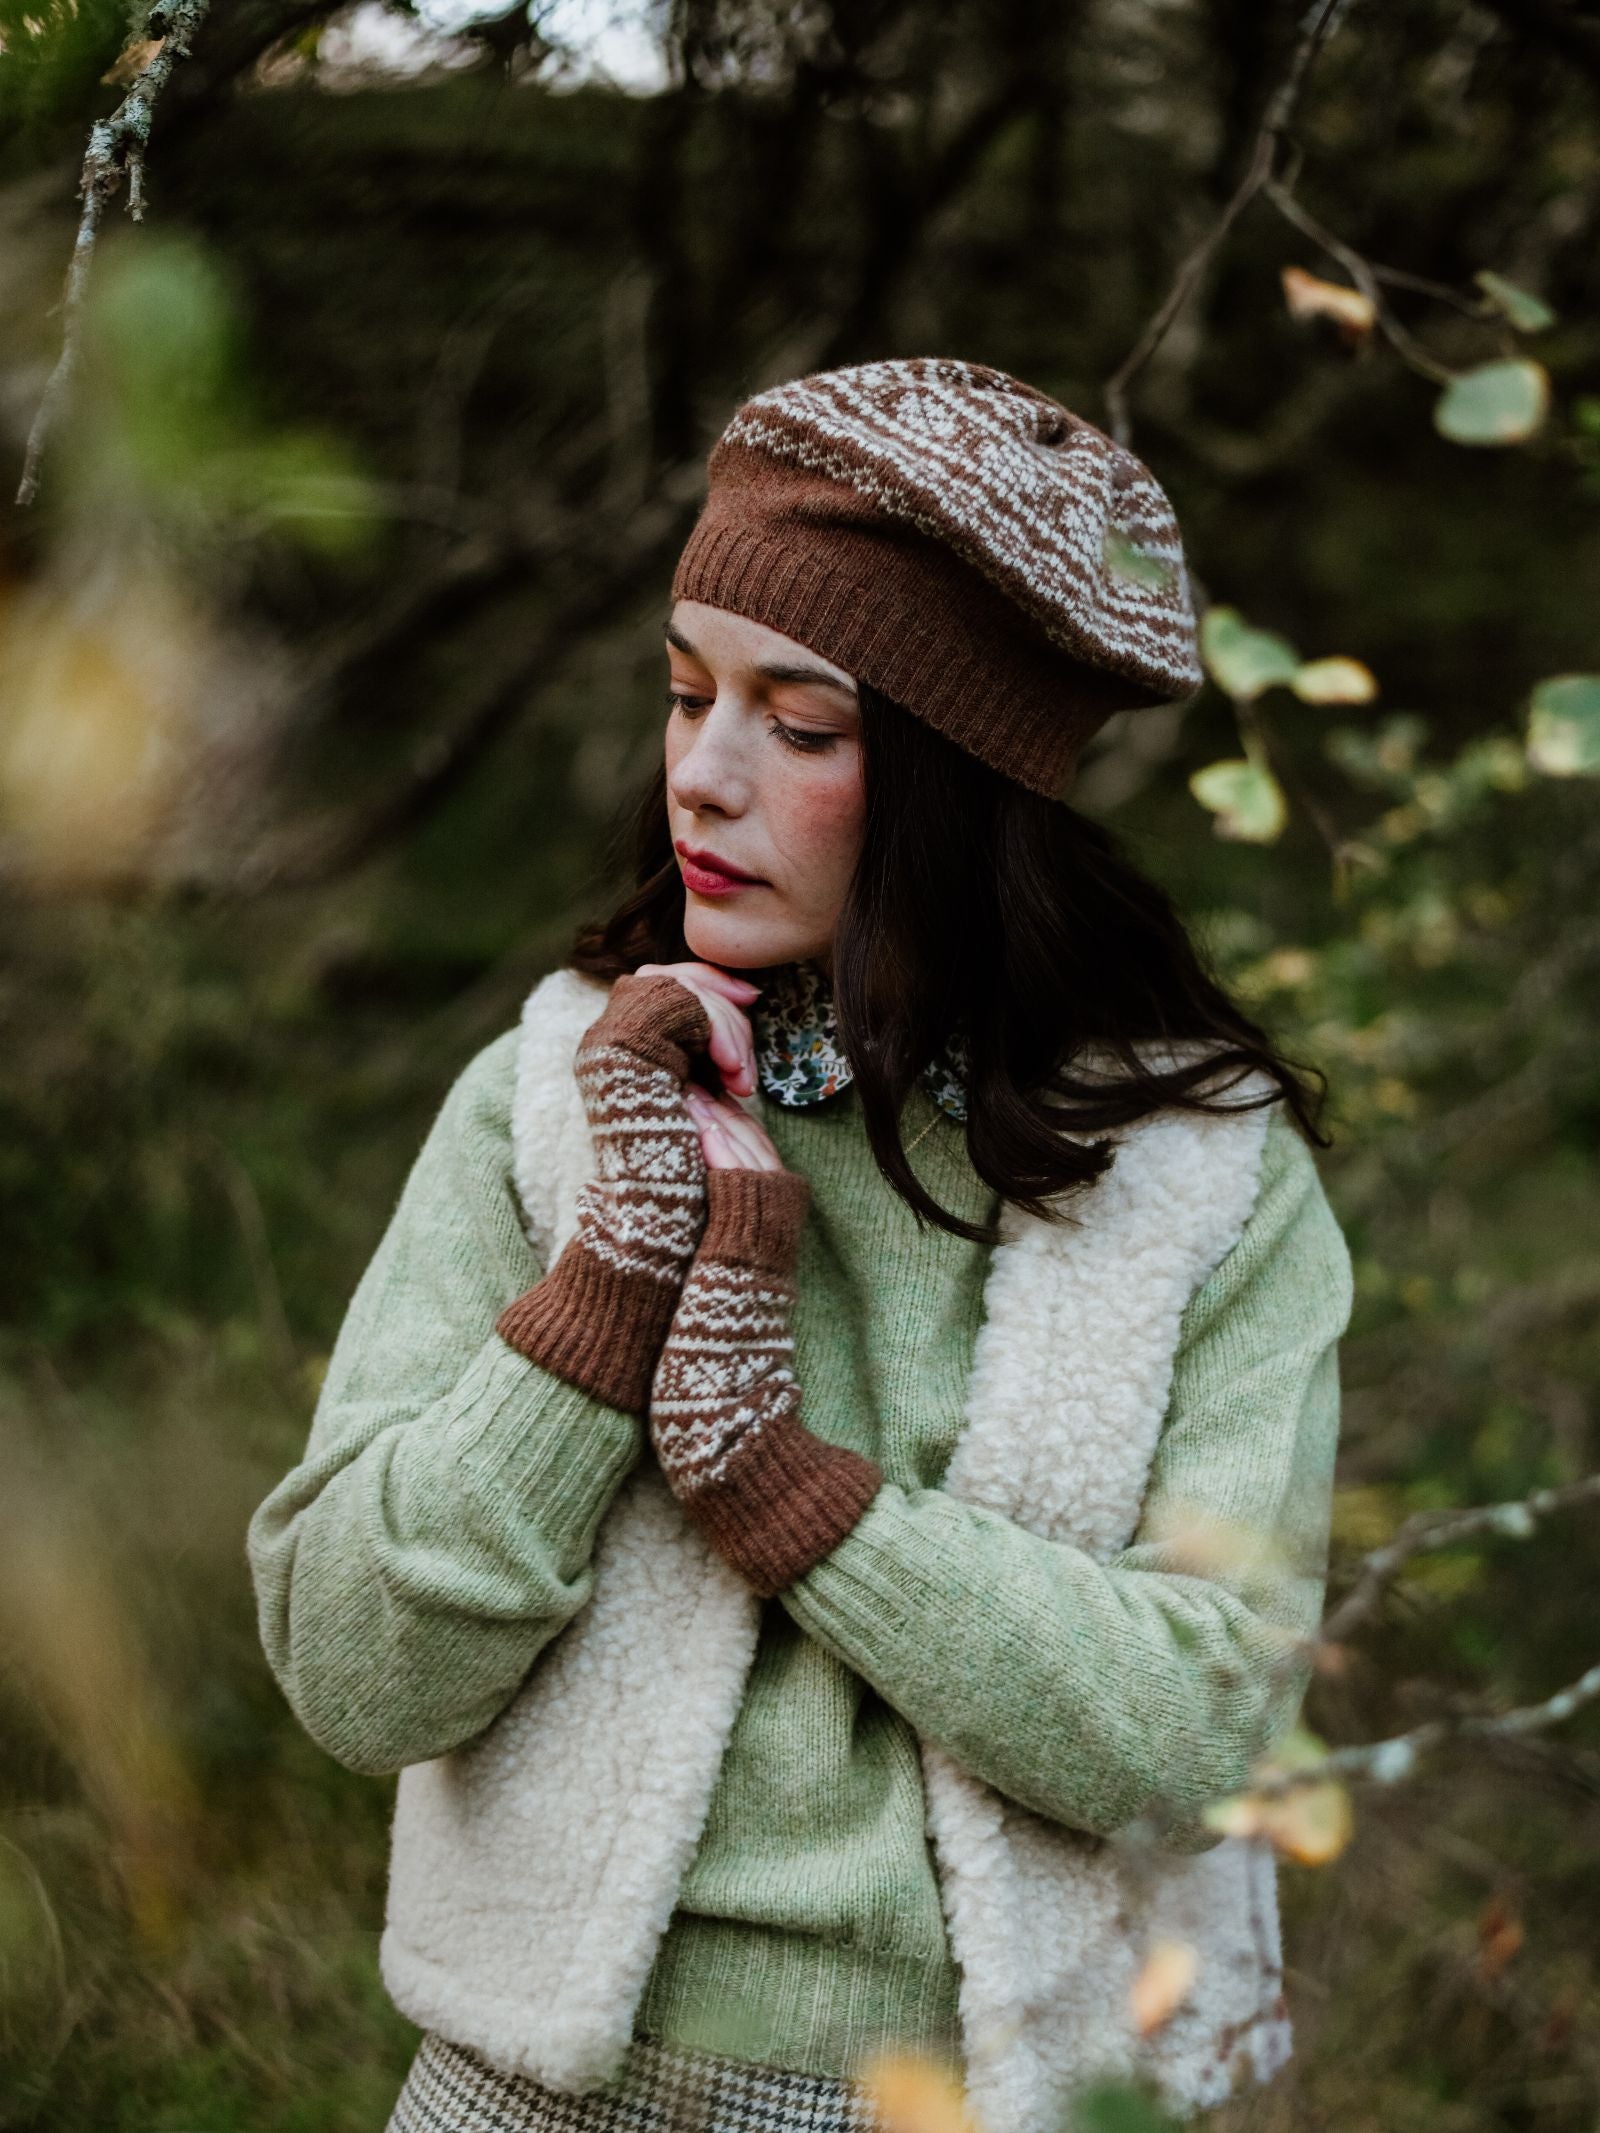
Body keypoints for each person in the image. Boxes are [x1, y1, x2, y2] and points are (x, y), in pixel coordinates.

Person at [246, 357, 1354, 2133]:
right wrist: (609, 1290)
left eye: (801, 724)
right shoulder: (549, 1096)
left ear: (958, 781)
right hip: (533, 2086)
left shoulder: (1195, 1179)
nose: (701, 773)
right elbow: (355, 1672)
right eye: (686, 695)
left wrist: (782, 1486)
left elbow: (1196, 1722)